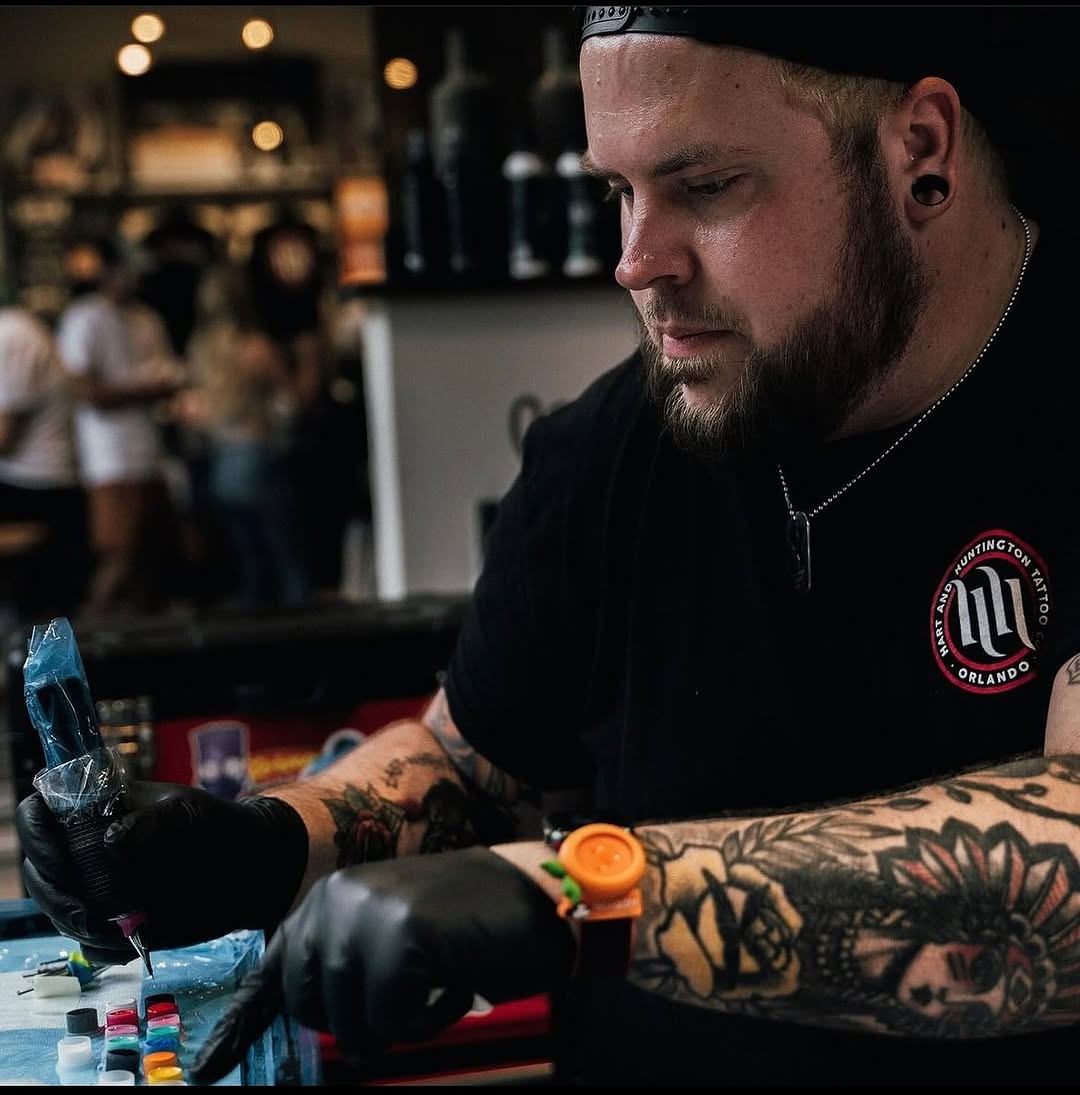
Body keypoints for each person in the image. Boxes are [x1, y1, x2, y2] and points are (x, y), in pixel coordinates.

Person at [16, 6, 1080, 1086]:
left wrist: (582, 892)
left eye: (707, 186)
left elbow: (1066, 871)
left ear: (923, 151)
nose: (636, 260)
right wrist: (260, 846)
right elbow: (473, 762)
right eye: (619, 192)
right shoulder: (615, 447)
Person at [53, 234, 188, 617]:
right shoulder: (84, 317)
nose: (134, 281)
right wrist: (143, 391)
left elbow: (168, 376)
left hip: (150, 450)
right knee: (119, 554)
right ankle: (83, 642)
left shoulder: (146, 317)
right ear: (108, 272)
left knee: (153, 556)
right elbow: (83, 390)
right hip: (108, 457)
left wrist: (152, 389)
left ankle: (145, 647)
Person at [0, 298, 88, 620]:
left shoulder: (11, 335)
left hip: (38, 485)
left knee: (44, 616)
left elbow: (4, 437)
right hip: (31, 481)